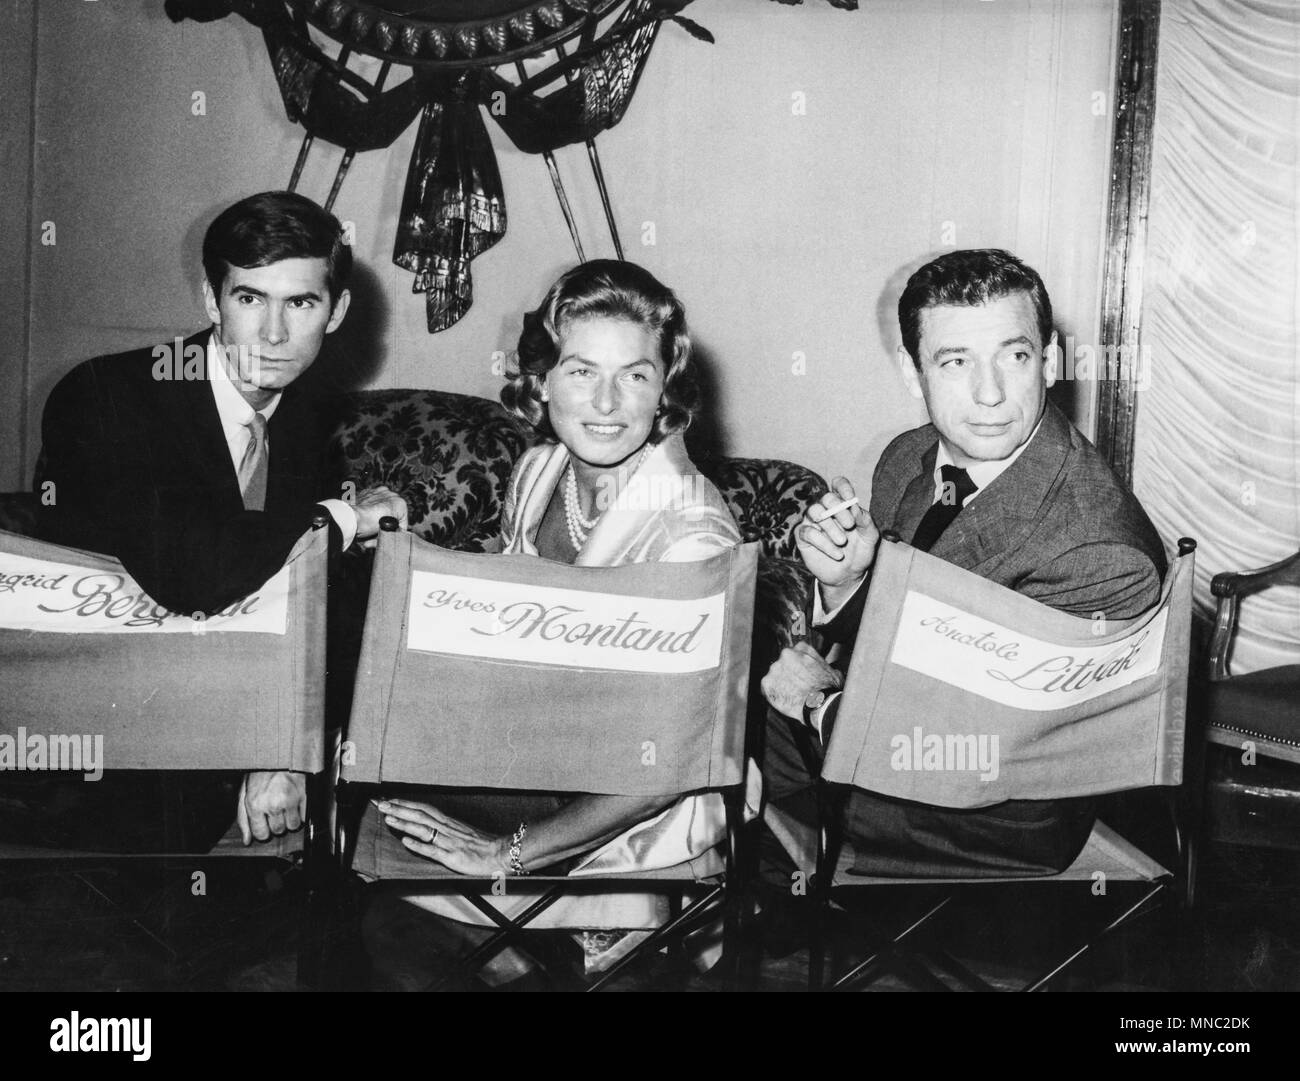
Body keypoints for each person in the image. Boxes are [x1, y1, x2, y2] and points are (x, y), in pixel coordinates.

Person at [371, 260, 742, 977]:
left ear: (666, 384)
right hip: (533, 756)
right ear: (541, 380)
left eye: (635, 374)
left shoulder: (693, 534)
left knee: (391, 905)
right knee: (370, 823)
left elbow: (669, 765)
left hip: (629, 808)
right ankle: (513, 939)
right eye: (580, 370)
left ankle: (567, 919)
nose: (605, 401)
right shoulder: (540, 471)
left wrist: (507, 851)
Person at [760, 248, 1167, 883]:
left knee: (724, 742)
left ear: (1050, 360)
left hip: (997, 810)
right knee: (726, 720)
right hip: (912, 742)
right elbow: (918, 639)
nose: (990, 394)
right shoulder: (909, 458)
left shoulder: (1098, 551)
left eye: (1015, 356)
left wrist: (819, 702)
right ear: (910, 371)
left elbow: (984, 758)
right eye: (955, 362)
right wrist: (849, 585)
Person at [32, 191, 408, 850]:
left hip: (224, 705)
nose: (272, 334)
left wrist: (285, 746)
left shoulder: (306, 419)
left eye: (301, 303)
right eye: (248, 299)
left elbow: (310, 603)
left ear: (338, 311)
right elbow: (195, 571)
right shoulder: (108, 397)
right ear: (212, 301)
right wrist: (343, 518)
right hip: (91, 736)